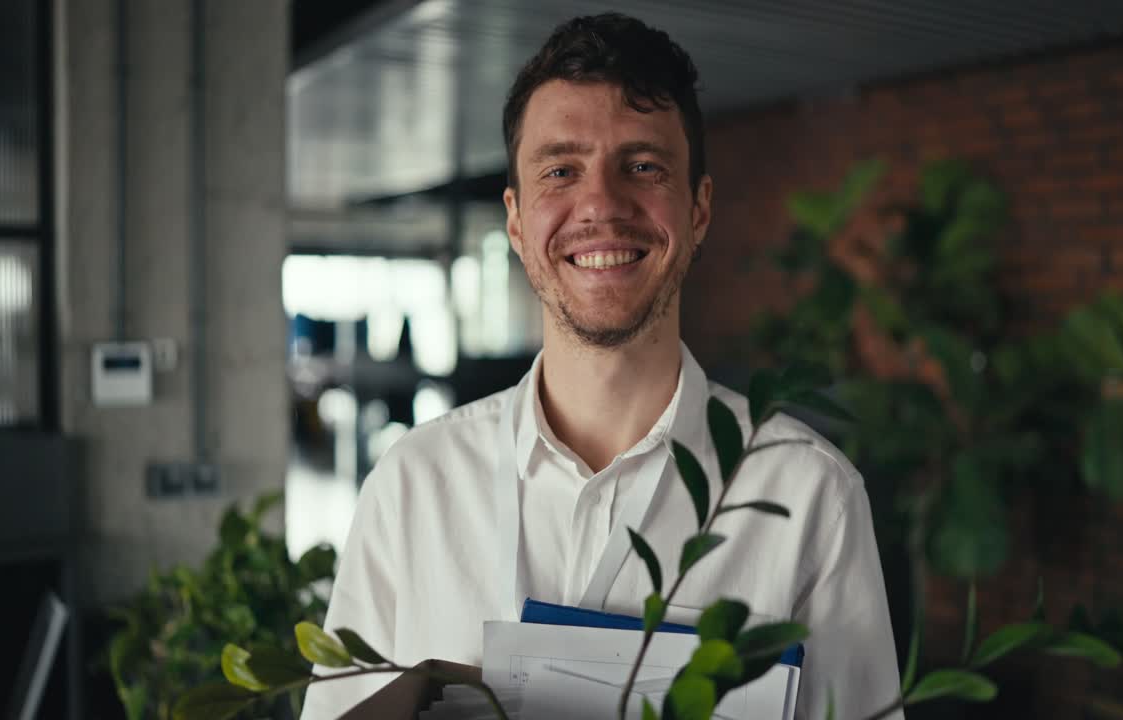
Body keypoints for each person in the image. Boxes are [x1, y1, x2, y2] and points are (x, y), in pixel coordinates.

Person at [301, 13, 900, 720]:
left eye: (643, 167)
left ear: (699, 210)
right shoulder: (412, 485)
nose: (602, 205)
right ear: (517, 222)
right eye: (561, 170)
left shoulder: (811, 499)